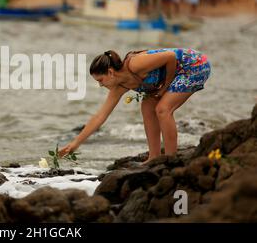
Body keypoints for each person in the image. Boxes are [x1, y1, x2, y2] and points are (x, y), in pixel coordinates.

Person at [58, 49, 211, 164]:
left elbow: (170, 57)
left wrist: (165, 87)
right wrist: (75, 143)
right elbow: (100, 116)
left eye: (101, 80)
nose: (100, 85)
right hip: (171, 76)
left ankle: (170, 160)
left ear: (110, 72)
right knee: (147, 107)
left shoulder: (135, 64)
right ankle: (154, 157)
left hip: (195, 65)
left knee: (163, 109)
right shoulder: (119, 86)